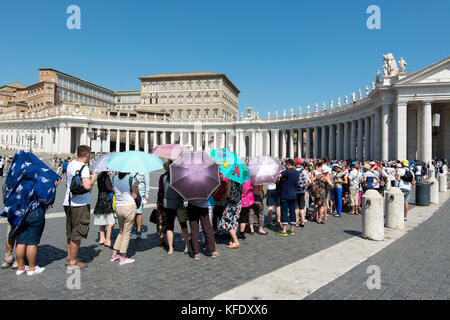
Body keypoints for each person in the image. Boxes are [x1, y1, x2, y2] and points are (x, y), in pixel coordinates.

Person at [0, 150, 61, 276]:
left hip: (17, 213)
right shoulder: (35, 176)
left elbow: (6, 195)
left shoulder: (12, 175)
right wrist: (54, 187)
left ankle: (20, 267)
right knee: (32, 242)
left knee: (21, 240)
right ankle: (32, 268)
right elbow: (45, 197)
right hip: (34, 212)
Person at [63, 145, 98, 270]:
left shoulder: (71, 164)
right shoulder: (83, 167)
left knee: (70, 231)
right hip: (80, 204)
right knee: (77, 232)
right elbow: (87, 186)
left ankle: (69, 257)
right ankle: (73, 261)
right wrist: (94, 177)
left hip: (68, 202)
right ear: (87, 155)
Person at [157, 160, 189, 255]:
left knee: (169, 227)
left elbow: (161, 192)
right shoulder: (180, 177)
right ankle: (187, 245)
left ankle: (170, 248)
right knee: (183, 226)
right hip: (179, 205)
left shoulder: (164, 177)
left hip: (168, 205)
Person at [109, 172, 138, 265]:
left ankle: (114, 255)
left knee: (121, 232)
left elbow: (113, 191)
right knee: (126, 233)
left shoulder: (114, 178)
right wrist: (136, 186)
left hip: (119, 207)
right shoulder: (130, 179)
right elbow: (134, 196)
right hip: (129, 206)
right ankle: (122, 257)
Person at [276, 159, 300, 236]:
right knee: (292, 211)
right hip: (293, 194)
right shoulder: (297, 172)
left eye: (286, 164)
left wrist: (278, 180)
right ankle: (292, 229)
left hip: (285, 194)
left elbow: (278, 176)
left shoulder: (286, 171)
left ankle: (284, 230)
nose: (285, 166)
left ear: (288, 165)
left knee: (284, 212)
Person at [217, 179, 242, 249]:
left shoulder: (230, 181)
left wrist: (224, 196)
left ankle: (236, 241)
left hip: (231, 205)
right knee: (234, 222)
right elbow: (243, 191)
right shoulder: (240, 181)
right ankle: (232, 241)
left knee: (226, 221)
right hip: (238, 204)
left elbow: (228, 194)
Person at [93, 171, 115, 248]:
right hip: (107, 199)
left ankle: (102, 238)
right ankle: (108, 239)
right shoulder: (106, 177)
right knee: (111, 222)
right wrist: (114, 187)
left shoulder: (99, 176)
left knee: (102, 221)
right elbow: (109, 187)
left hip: (100, 198)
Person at [130, 171, 150, 239]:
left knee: (139, 212)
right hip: (132, 192)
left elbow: (147, 182)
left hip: (141, 193)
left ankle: (138, 230)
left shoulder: (145, 169)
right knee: (132, 212)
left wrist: (147, 194)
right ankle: (134, 227)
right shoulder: (130, 168)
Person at [295, 159, 309, 227]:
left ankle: (296, 221)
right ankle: (303, 220)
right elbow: (306, 182)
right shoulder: (304, 171)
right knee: (302, 206)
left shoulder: (293, 171)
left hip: (295, 191)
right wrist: (305, 189)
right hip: (302, 191)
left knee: (296, 207)